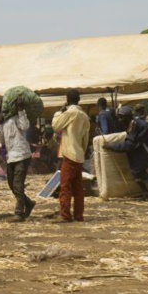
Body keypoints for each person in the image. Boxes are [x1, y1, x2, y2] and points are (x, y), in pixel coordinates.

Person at [103, 106, 148, 201]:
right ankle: (145, 192)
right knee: (133, 167)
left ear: (129, 117)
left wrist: (112, 146)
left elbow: (128, 145)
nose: (120, 119)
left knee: (138, 168)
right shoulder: (131, 124)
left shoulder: (135, 125)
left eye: (122, 117)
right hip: (145, 144)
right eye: (119, 117)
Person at [52, 89, 91, 223]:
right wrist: (81, 151)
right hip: (79, 154)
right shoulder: (84, 116)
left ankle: (65, 215)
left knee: (65, 186)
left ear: (67, 100)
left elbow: (56, 126)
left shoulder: (69, 113)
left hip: (69, 153)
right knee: (78, 188)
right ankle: (79, 215)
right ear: (79, 99)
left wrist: (59, 112)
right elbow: (85, 139)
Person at [0, 98, 36, 222]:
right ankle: (28, 203)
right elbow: (1, 140)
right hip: (11, 157)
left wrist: (21, 110)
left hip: (21, 155)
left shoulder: (15, 118)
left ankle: (19, 213)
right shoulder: (2, 123)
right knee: (11, 185)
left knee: (18, 185)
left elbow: (25, 126)